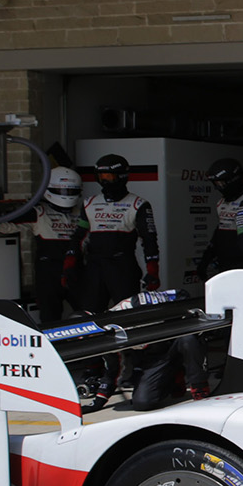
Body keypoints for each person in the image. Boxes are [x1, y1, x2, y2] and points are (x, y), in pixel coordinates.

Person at [79, 153, 159, 411]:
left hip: (123, 266)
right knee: (91, 319)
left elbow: (149, 240)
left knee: (129, 319)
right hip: (94, 268)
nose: (106, 180)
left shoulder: (139, 204)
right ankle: (93, 368)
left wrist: (152, 270)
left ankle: (135, 365)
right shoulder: (89, 203)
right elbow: (79, 236)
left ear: (123, 176)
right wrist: (70, 264)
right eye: (102, 176)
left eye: (111, 176)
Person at [0, 165, 87, 324]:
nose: (66, 196)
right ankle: (53, 346)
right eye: (62, 191)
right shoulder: (39, 211)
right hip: (48, 270)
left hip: (77, 268)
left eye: (71, 191)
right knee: (49, 315)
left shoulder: (82, 212)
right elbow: (4, 226)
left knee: (88, 311)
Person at [198, 158, 243, 278]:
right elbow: (219, 233)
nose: (219, 187)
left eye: (222, 183)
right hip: (225, 261)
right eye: (216, 184)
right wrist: (206, 259)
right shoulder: (221, 203)